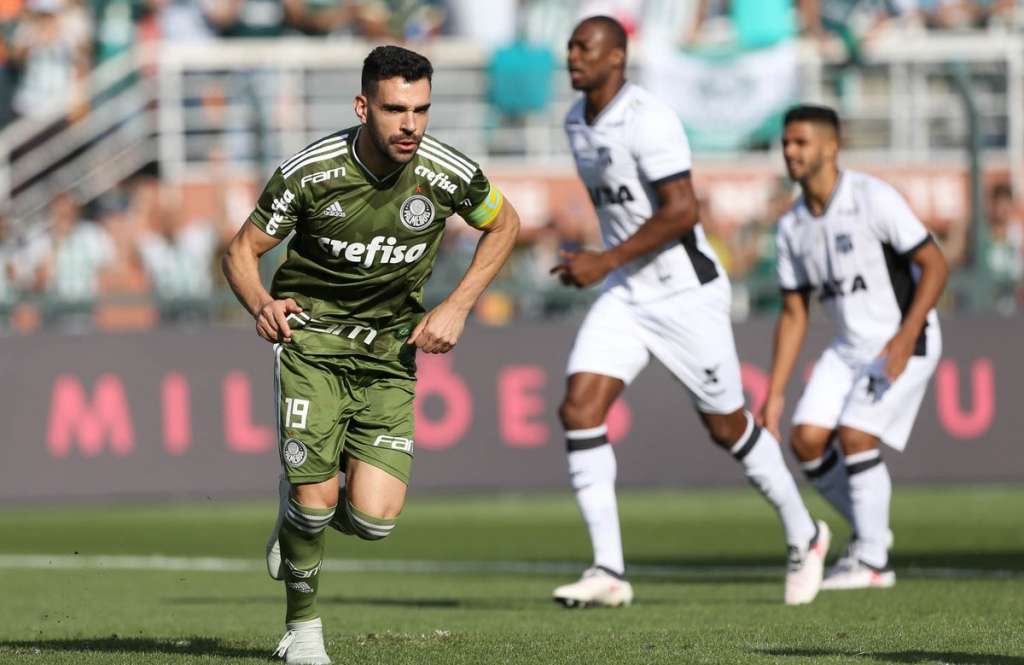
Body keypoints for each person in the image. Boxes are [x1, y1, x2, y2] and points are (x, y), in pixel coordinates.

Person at [221, 45, 519, 665]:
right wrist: (261, 305)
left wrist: (458, 305)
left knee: (375, 519)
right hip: (312, 345)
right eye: (394, 109)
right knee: (317, 499)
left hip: (390, 352)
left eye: (421, 110)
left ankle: (298, 510)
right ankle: (302, 632)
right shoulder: (310, 173)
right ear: (363, 106)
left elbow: (505, 223)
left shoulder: (446, 173)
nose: (410, 124)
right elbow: (240, 251)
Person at [550, 15, 828, 609]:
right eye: (571, 46)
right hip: (627, 292)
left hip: (684, 293)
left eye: (585, 47)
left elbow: (683, 212)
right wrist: (606, 262)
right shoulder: (576, 120)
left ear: (617, 58)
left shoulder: (648, 118)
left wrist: (604, 260)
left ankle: (806, 533)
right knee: (579, 408)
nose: (573, 56)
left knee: (726, 427)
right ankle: (608, 570)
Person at [759, 104, 948, 591]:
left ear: (830, 146)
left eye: (800, 142)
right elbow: (795, 313)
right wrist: (775, 393)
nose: (790, 151)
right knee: (805, 441)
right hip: (848, 349)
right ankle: (871, 532)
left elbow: (935, 264)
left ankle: (872, 562)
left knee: (857, 437)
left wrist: (905, 337)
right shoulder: (791, 226)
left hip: (904, 338)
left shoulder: (872, 198)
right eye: (786, 143)